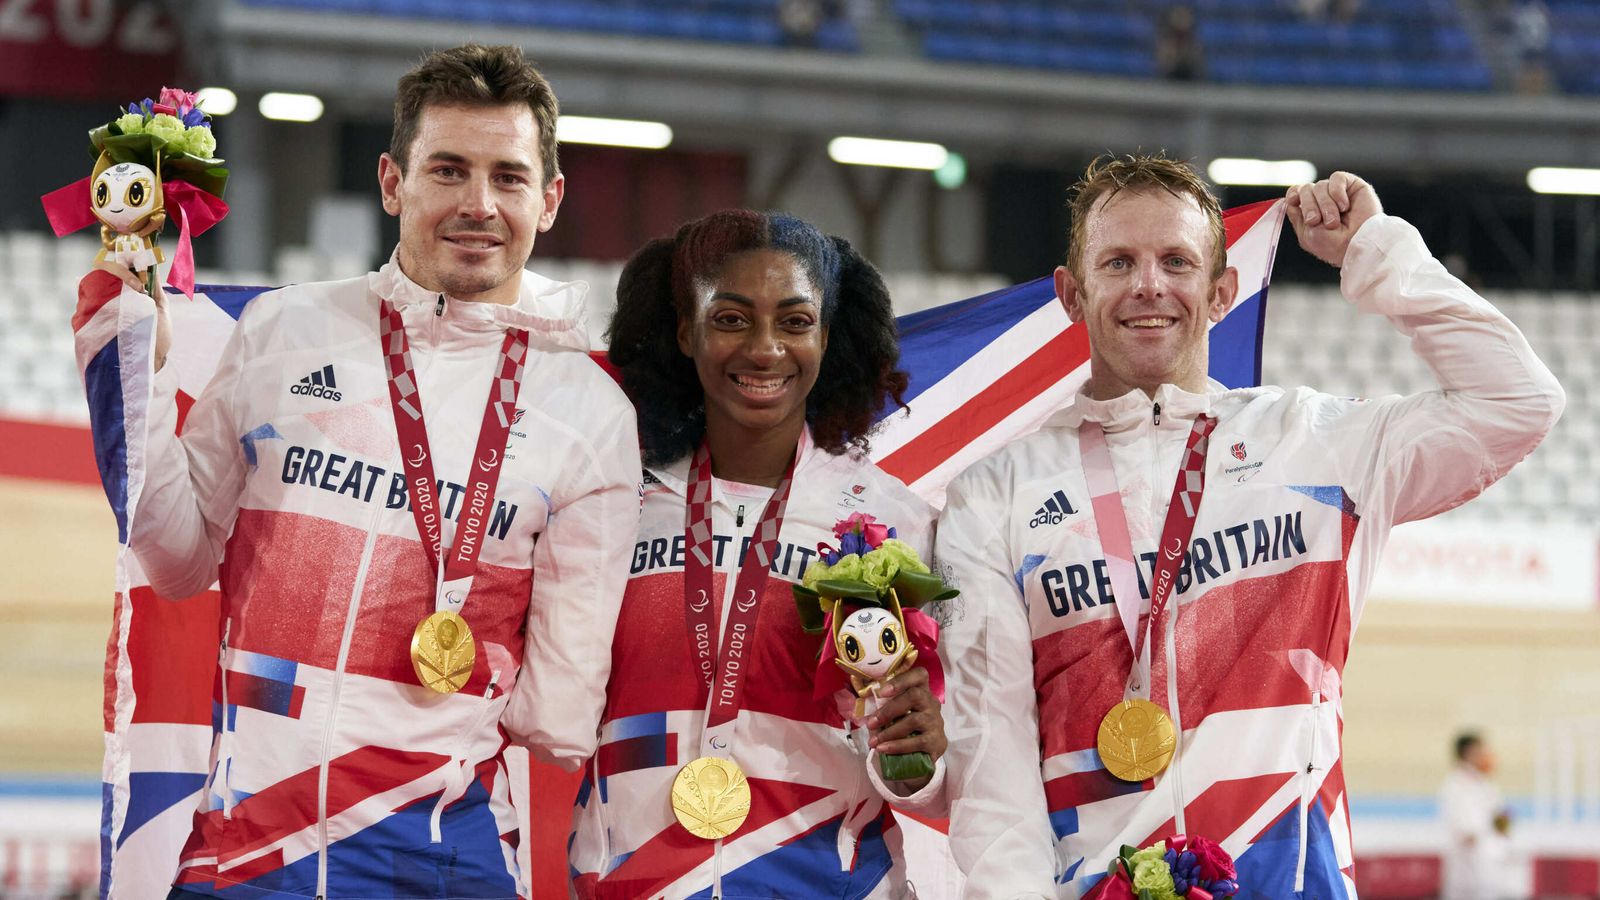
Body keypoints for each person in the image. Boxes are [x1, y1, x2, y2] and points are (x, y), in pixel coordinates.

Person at [935, 154, 1564, 898]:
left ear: (1223, 291)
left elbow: (1519, 402)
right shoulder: (995, 495)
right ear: (1072, 296)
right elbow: (991, 767)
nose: (1149, 285)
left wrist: (1377, 252)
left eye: (1177, 261)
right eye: (1118, 262)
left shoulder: (1318, 443)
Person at [99, 44, 640, 898]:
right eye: (448, 170)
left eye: (508, 177)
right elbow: (176, 561)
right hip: (245, 848)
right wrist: (131, 364)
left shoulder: (592, 416)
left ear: (551, 198)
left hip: (438, 861)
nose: (478, 204)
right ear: (393, 182)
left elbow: (557, 720)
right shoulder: (286, 331)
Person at [579, 209, 947, 897]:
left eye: (795, 321)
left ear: (827, 336)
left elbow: (945, 781)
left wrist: (927, 759)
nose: (765, 348)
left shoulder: (896, 522)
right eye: (731, 318)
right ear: (686, 330)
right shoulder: (609, 502)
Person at [1440, 732, 1527, 900]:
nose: (1486, 756)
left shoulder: (1487, 785)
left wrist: (1504, 828)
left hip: (1491, 858)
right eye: (1481, 751)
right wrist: (1469, 837)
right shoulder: (1454, 786)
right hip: (1469, 860)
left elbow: (1501, 816)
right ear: (1468, 753)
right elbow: (1463, 827)